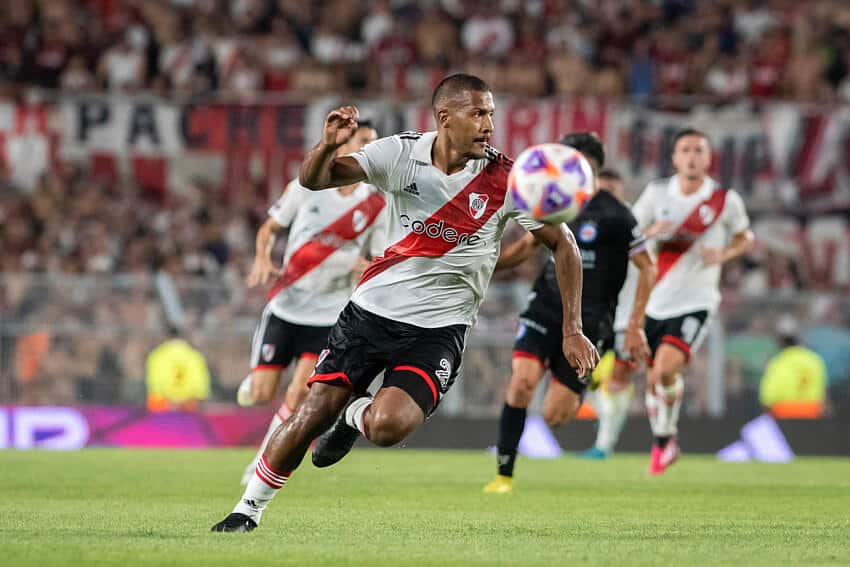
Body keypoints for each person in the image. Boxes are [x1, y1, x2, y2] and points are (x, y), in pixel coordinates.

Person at [212, 73, 599, 532]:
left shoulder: (509, 179)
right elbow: (316, 179)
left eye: (491, 114)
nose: (488, 125)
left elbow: (565, 245)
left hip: (439, 330)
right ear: (445, 118)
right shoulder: (399, 153)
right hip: (371, 313)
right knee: (312, 412)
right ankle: (246, 511)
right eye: (478, 113)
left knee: (388, 426)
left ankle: (353, 417)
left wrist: (571, 328)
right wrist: (327, 145)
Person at [483, 139, 656, 494]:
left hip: (592, 320)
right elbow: (528, 247)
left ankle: (585, 385)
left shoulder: (618, 214)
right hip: (546, 306)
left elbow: (647, 268)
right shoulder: (552, 204)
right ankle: (504, 474)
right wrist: (484, 265)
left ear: (588, 167)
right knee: (521, 383)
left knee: (555, 416)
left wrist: (635, 325)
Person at [235, 120, 386, 485]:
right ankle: (254, 381)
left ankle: (262, 461)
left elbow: (379, 256)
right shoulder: (307, 187)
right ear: (345, 144)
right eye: (364, 141)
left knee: (299, 394)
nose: (371, 149)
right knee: (261, 394)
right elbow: (270, 228)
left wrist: (366, 266)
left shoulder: (376, 202)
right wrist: (261, 256)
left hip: (328, 316)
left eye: (374, 143)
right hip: (287, 307)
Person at [632, 128, 754, 475]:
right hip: (654, 301)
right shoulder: (656, 194)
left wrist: (726, 252)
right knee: (655, 379)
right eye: (685, 149)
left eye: (699, 150)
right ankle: (665, 440)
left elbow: (747, 237)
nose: (692, 156)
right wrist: (650, 234)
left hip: (696, 300)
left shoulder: (723, 200)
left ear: (708, 157)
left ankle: (662, 441)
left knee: (667, 368)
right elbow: (628, 231)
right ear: (674, 157)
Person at [580, 171, 645, 459]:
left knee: (618, 378)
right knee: (588, 377)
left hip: (627, 315)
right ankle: (606, 437)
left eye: (611, 189)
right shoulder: (585, 219)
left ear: (622, 190)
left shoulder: (634, 219)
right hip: (594, 313)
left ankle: (604, 445)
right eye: (601, 189)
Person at [759, 316, 827, 419]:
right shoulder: (814, 359)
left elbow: (767, 398)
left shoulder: (778, 362)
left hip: (783, 415)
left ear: (780, 340)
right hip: (812, 414)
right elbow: (823, 394)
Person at [145, 326, 211, 412]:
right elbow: (201, 390)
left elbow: (154, 388)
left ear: (166, 337)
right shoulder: (196, 356)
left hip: (164, 406)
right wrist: (182, 403)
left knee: (153, 402)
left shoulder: (156, 355)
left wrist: (170, 404)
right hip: (189, 406)